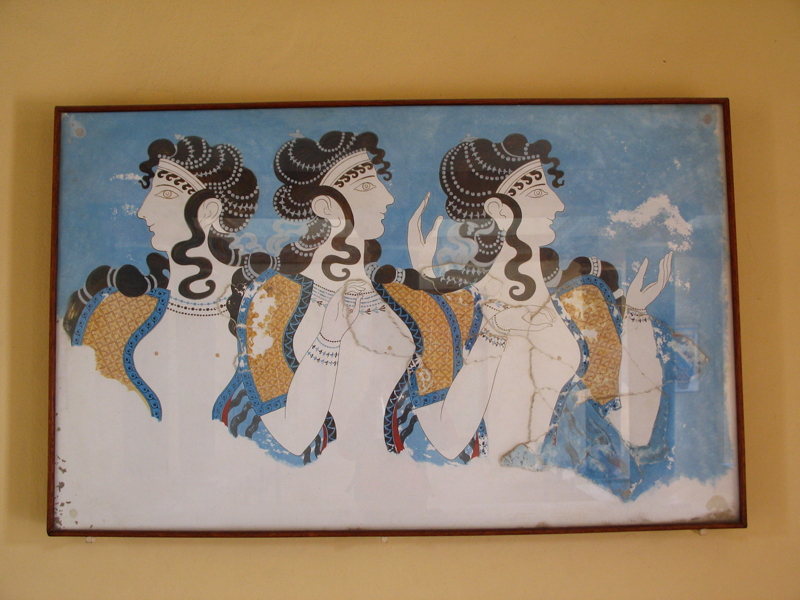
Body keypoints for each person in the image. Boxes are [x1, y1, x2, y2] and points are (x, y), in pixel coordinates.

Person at [375, 134, 671, 497]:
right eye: (539, 192)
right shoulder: (455, 307)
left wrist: (637, 317)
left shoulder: (583, 303)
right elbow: (448, 442)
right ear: (500, 211)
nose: (558, 204)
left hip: (573, 501)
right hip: (477, 500)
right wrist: (495, 333)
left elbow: (636, 431)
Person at [214, 131, 415, 464]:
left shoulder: (397, 295)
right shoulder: (272, 298)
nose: (387, 198)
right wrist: (328, 340)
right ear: (326, 206)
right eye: (367, 186)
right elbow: (292, 437)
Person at [63, 135, 261, 421]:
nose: (144, 212)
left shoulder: (268, 310)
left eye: (165, 195)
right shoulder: (114, 311)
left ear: (208, 211)